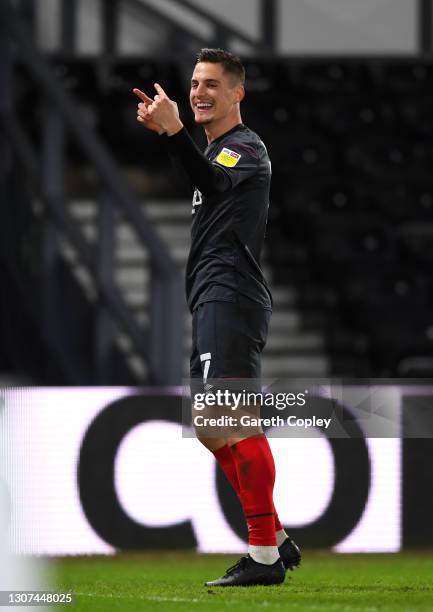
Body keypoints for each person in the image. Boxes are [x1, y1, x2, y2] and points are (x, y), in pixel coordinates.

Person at [133, 48, 300, 587]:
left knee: (233, 422)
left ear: (237, 94)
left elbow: (214, 180)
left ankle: (265, 558)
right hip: (214, 297)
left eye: (212, 84)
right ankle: (273, 537)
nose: (200, 92)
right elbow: (205, 176)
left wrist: (173, 133)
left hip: (231, 296)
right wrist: (177, 136)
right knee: (210, 427)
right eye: (195, 83)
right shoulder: (220, 151)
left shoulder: (245, 148)